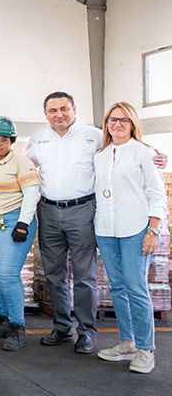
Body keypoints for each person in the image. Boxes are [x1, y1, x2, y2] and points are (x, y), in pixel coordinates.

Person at [27, 91, 166, 354]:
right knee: (54, 275)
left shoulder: (93, 136)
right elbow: (25, 166)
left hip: (83, 211)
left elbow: (128, 154)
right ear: (45, 114)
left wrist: (159, 157)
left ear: (74, 109)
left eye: (64, 109)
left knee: (84, 276)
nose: (59, 114)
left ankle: (86, 332)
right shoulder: (38, 140)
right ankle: (61, 327)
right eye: (53, 110)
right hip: (48, 212)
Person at [93, 102, 166, 374]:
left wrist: (153, 229)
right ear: (106, 124)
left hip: (135, 228)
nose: (118, 124)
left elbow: (156, 193)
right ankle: (127, 342)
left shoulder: (144, 153)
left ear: (133, 124)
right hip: (106, 229)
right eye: (113, 119)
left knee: (136, 288)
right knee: (118, 287)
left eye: (124, 120)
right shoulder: (100, 155)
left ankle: (146, 349)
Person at [0, 116, 40, 351]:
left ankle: (17, 327)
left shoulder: (21, 162)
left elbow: (32, 193)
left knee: (8, 275)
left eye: (4, 139)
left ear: (11, 141)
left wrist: (23, 223)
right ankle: (3, 321)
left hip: (12, 222)